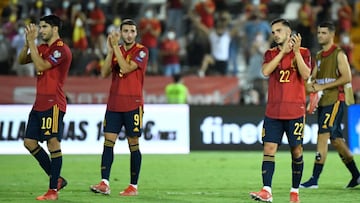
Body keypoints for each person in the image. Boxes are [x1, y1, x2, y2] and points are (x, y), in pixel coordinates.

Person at [249, 18, 311, 203]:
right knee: (268, 148)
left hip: (295, 110)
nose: (274, 34)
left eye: (278, 30)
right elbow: (266, 71)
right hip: (273, 111)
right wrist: (282, 52)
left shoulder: (305, 52)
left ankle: (294, 192)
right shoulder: (269, 53)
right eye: (273, 31)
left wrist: (295, 52)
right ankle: (266, 190)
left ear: (288, 32)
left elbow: (306, 75)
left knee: (297, 151)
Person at [90, 19, 149, 196]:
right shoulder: (117, 50)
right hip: (114, 104)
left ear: (136, 33)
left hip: (133, 104)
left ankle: (133, 186)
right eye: (125, 31)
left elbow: (126, 67)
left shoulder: (142, 51)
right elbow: (104, 72)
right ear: (121, 33)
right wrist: (110, 51)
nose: (129, 34)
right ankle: (104, 183)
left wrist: (115, 47)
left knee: (133, 144)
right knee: (108, 143)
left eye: (132, 31)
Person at [300, 21, 360, 189]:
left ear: (332, 35)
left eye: (324, 33)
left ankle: (314, 179)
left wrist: (321, 87)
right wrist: (309, 90)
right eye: (319, 33)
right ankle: (356, 175)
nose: (320, 35)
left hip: (335, 100)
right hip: (323, 102)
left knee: (323, 135)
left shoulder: (339, 53)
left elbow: (347, 77)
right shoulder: (318, 56)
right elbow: (313, 80)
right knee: (337, 141)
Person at [18, 14, 72, 200]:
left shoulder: (61, 50)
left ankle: (52, 191)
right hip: (39, 102)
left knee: (52, 142)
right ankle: (56, 178)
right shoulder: (41, 47)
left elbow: (40, 64)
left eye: (44, 27)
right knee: (29, 142)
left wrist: (32, 44)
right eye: (40, 27)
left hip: (54, 103)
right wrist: (27, 43)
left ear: (55, 28)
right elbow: (21, 61)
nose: (41, 31)